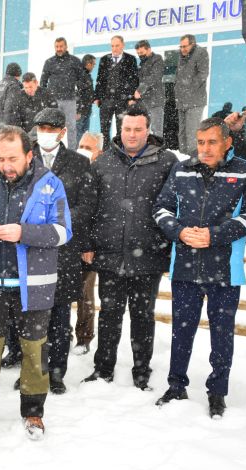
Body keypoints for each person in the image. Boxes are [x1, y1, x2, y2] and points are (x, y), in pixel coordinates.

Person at [0, 125, 71, 439]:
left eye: (13, 158)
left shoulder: (50, 185)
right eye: (1, 158)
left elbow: (63, 231)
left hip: (32, 285)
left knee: (35, 350)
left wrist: (25, 233)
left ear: (29, 155)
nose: (6, 165)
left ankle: (33, 413)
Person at [152, 117, 246, 418]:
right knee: (181, 331)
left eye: (212, 142)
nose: (205, 148)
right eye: (201, 142)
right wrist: (179, 231)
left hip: (225, 271)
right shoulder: (182, 169)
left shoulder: (245, 171)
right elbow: (160, 208)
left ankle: (217, 392)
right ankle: (176, 385)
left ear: (227, 142)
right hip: (185, 267)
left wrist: (215, 235)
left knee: (222, 334)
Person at [83, 105, 177, 389]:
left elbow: (174, 205)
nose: (132, 135)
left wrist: (171, 246)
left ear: (148, 130)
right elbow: (89, 206)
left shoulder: (167, 162)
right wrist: (88, 242)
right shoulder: (102, 162)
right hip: (110, 253)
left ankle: (141, 371)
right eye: (127, 129)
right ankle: (103, 369)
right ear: (119, 130)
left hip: (148, 254)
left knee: (142, 316)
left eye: (138, 129)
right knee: (109, 314)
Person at [32, 108, 96, 394]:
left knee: (59, 319)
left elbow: (87, 203)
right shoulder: (26, 157)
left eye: (51, 127)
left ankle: (56, 373)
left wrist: (58, 222)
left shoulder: (79, 163)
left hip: (63, 251)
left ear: (62, 131)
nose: (45, 132)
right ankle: (33, 372)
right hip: (31, 250)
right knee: (33, 319)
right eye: (41, 127)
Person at [73, 132, 104, 355]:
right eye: (81, 145)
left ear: (98, 152)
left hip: (89, 246)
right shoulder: (72, 170)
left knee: (85, 294)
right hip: (67, 243)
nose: (83, 149)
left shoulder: (101, 173)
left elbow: (97, 213)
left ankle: (84, 338)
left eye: (88, 147)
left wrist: (89, 244)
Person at [40, 37, 90, 148]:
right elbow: (43, 82)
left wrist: (79, 101)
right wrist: (45, 99)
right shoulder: (49, 62)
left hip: (70, 100)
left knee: (71, 128)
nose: (59, 49)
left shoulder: (75, 61)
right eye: (57, 46)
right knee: (52, 127)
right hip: (53, 102)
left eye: (61, 46)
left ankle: (72, 152)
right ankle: (52, 149)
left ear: (66, 47)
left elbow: (83, 81)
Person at [95, 35, 139, 150]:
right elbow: (100, 80)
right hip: (106, 100)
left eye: (117, 45)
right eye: (112, 46)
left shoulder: (131, 59)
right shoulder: (104, 59)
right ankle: (105, 152)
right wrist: (98, 97)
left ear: (122, 45)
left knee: (122, 128)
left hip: (123, 101)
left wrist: (131, 98)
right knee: (104, 129)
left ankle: (120, 151)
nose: (114, 48)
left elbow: (134, 80)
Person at [174, 34, 209, 154]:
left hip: (195, 100)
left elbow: (202, 75)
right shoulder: (181, 55)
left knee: (192, 132)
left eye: (185, 46)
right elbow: (179, 76)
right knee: (182, 132)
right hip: (182, 100)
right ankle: (183, 157)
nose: (182, 49)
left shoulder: (201, 53)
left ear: (192, 44)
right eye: (181, 46)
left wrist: (188, 87)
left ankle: (193, 159)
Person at [134, 40, 166, 138]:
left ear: (149, 49)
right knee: (143, 128)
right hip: (144, 102)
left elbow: (154, 77)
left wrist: (140, 90)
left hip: (155, 100)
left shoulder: (157, 59)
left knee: (156, 129)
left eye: (142, 52)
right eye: (138, 53)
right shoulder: (142, 63)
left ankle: (158, 150)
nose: (140, 55)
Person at [76, 54, 96, 142]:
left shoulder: (87, 75)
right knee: (78, 135)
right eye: (93, 64)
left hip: (86, 110)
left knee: (84, 135)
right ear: (88, 64)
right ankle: (76, 154)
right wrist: (77, 110)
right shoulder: (79, 75)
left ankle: (81, 154)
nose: (94, 67)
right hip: (80, 112)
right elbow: (76, 93)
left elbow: (88, 93)